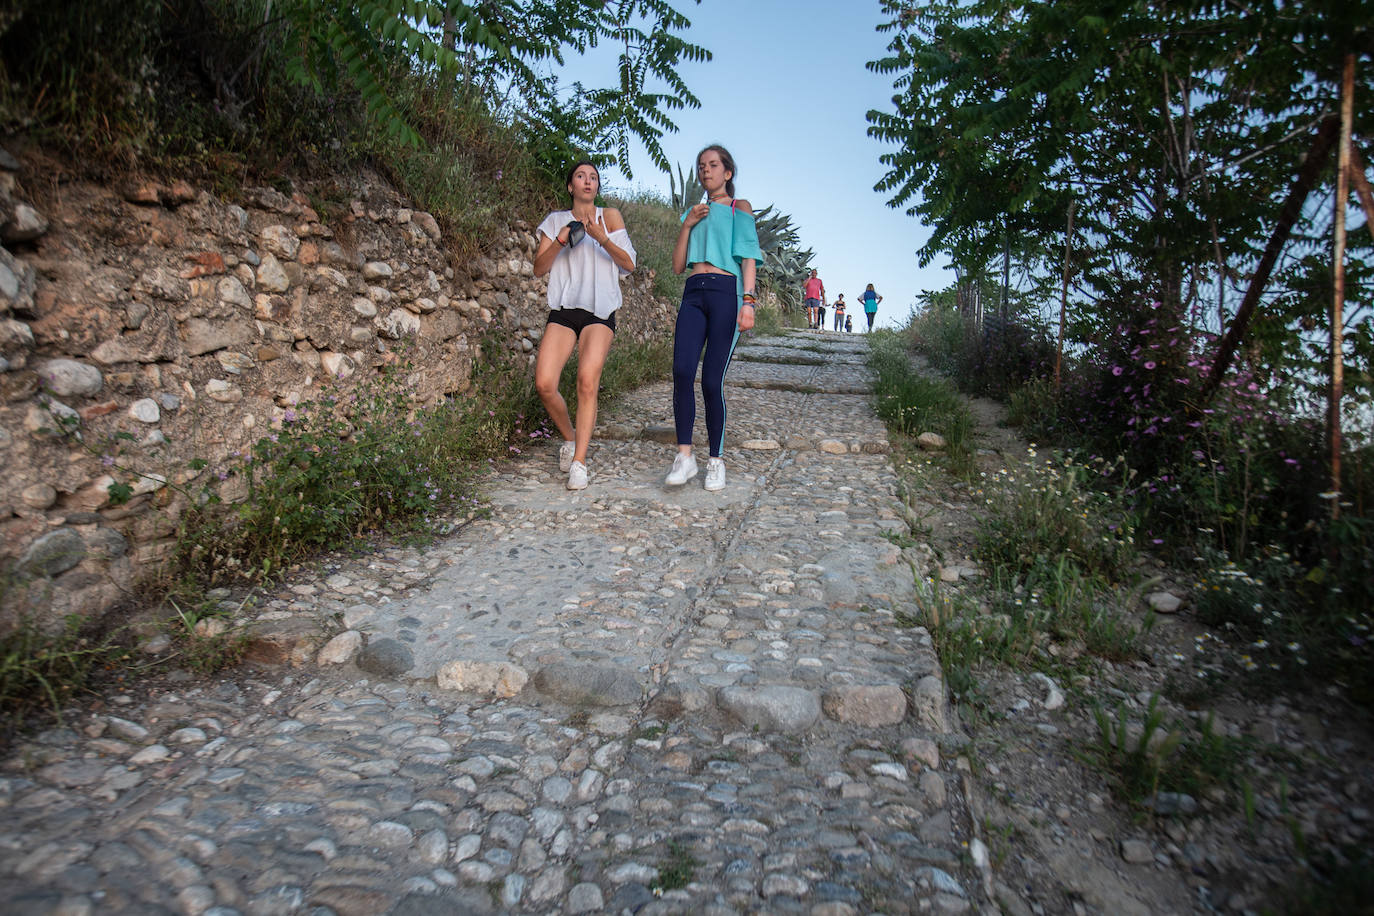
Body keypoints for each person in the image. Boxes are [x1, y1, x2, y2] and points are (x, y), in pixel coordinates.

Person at [532, 160, 637, 490]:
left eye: (593, 177)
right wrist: (561, 239)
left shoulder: (610, 216)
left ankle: (579, 461)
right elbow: (538, 269)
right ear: (570, 186)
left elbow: (629, 264)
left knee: (586, 381)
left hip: (600, 310)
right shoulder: (554, 221)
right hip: (564, 309)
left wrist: (601, 238)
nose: (588, 181)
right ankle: (570, 437)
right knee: (545, 384)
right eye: (581, 176)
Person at [665, 144, 762, 492]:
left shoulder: (740, 208)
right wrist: (687, 225)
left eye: (714, 165)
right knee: (681, 371)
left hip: (727, 292)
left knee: (711, 381)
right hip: (693, 292)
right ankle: (685, 457)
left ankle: (716, 461)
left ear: (728, 172)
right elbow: (677, 266)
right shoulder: (694, 212)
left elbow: (749, 257)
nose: (707, 170)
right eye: (702, 166)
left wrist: (748, 302)